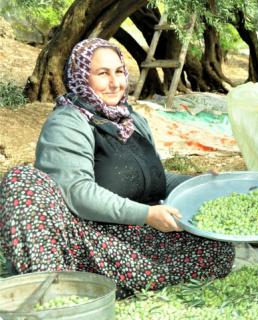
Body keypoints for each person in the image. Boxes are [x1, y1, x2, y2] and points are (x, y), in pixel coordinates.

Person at [0, 38, 234, 298]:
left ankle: (94, 284)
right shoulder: (68, 122)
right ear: (80, 77)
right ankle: (52, 285)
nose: (115, 83)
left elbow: (153, 178)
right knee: (22, 179)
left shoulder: (132, 120)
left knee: (219, 250)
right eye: (102, 74)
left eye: (119, 72)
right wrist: (146, 214)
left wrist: (201, 185)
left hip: (126, 239)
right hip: (83, 238)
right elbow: (78, 193)